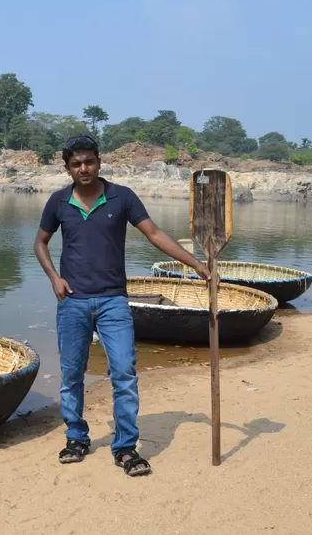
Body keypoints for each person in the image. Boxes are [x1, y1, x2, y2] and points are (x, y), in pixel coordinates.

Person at [33, 134, 213, 477]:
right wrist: (54, 278)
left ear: (99, 162)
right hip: (72, 302)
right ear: (67, 168)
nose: (83, 168)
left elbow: (155, 234)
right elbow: (40, 243)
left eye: (89, 162)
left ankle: (126, 448)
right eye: (76, 164)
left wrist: (195, 264)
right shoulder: (58, 202)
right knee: (72, 375)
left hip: (114, 301)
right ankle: (77, 437)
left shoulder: (122, 197)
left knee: (125, 374)